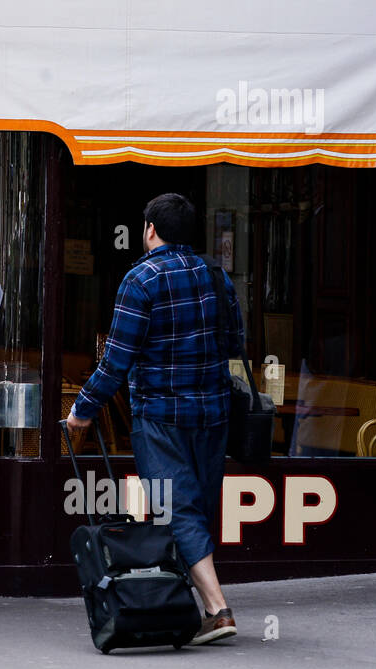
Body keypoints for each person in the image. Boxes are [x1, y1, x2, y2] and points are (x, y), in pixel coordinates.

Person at [66, 193, 244, 645]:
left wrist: (81, 411)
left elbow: (115, 363)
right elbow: (235, 343)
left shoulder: (140, 280)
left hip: (161, 415)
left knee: (175, 508)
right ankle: (192, 606)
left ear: (149, 229)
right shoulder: (218, 276)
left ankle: (218, 609)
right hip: (213, 412)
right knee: (197, 508)